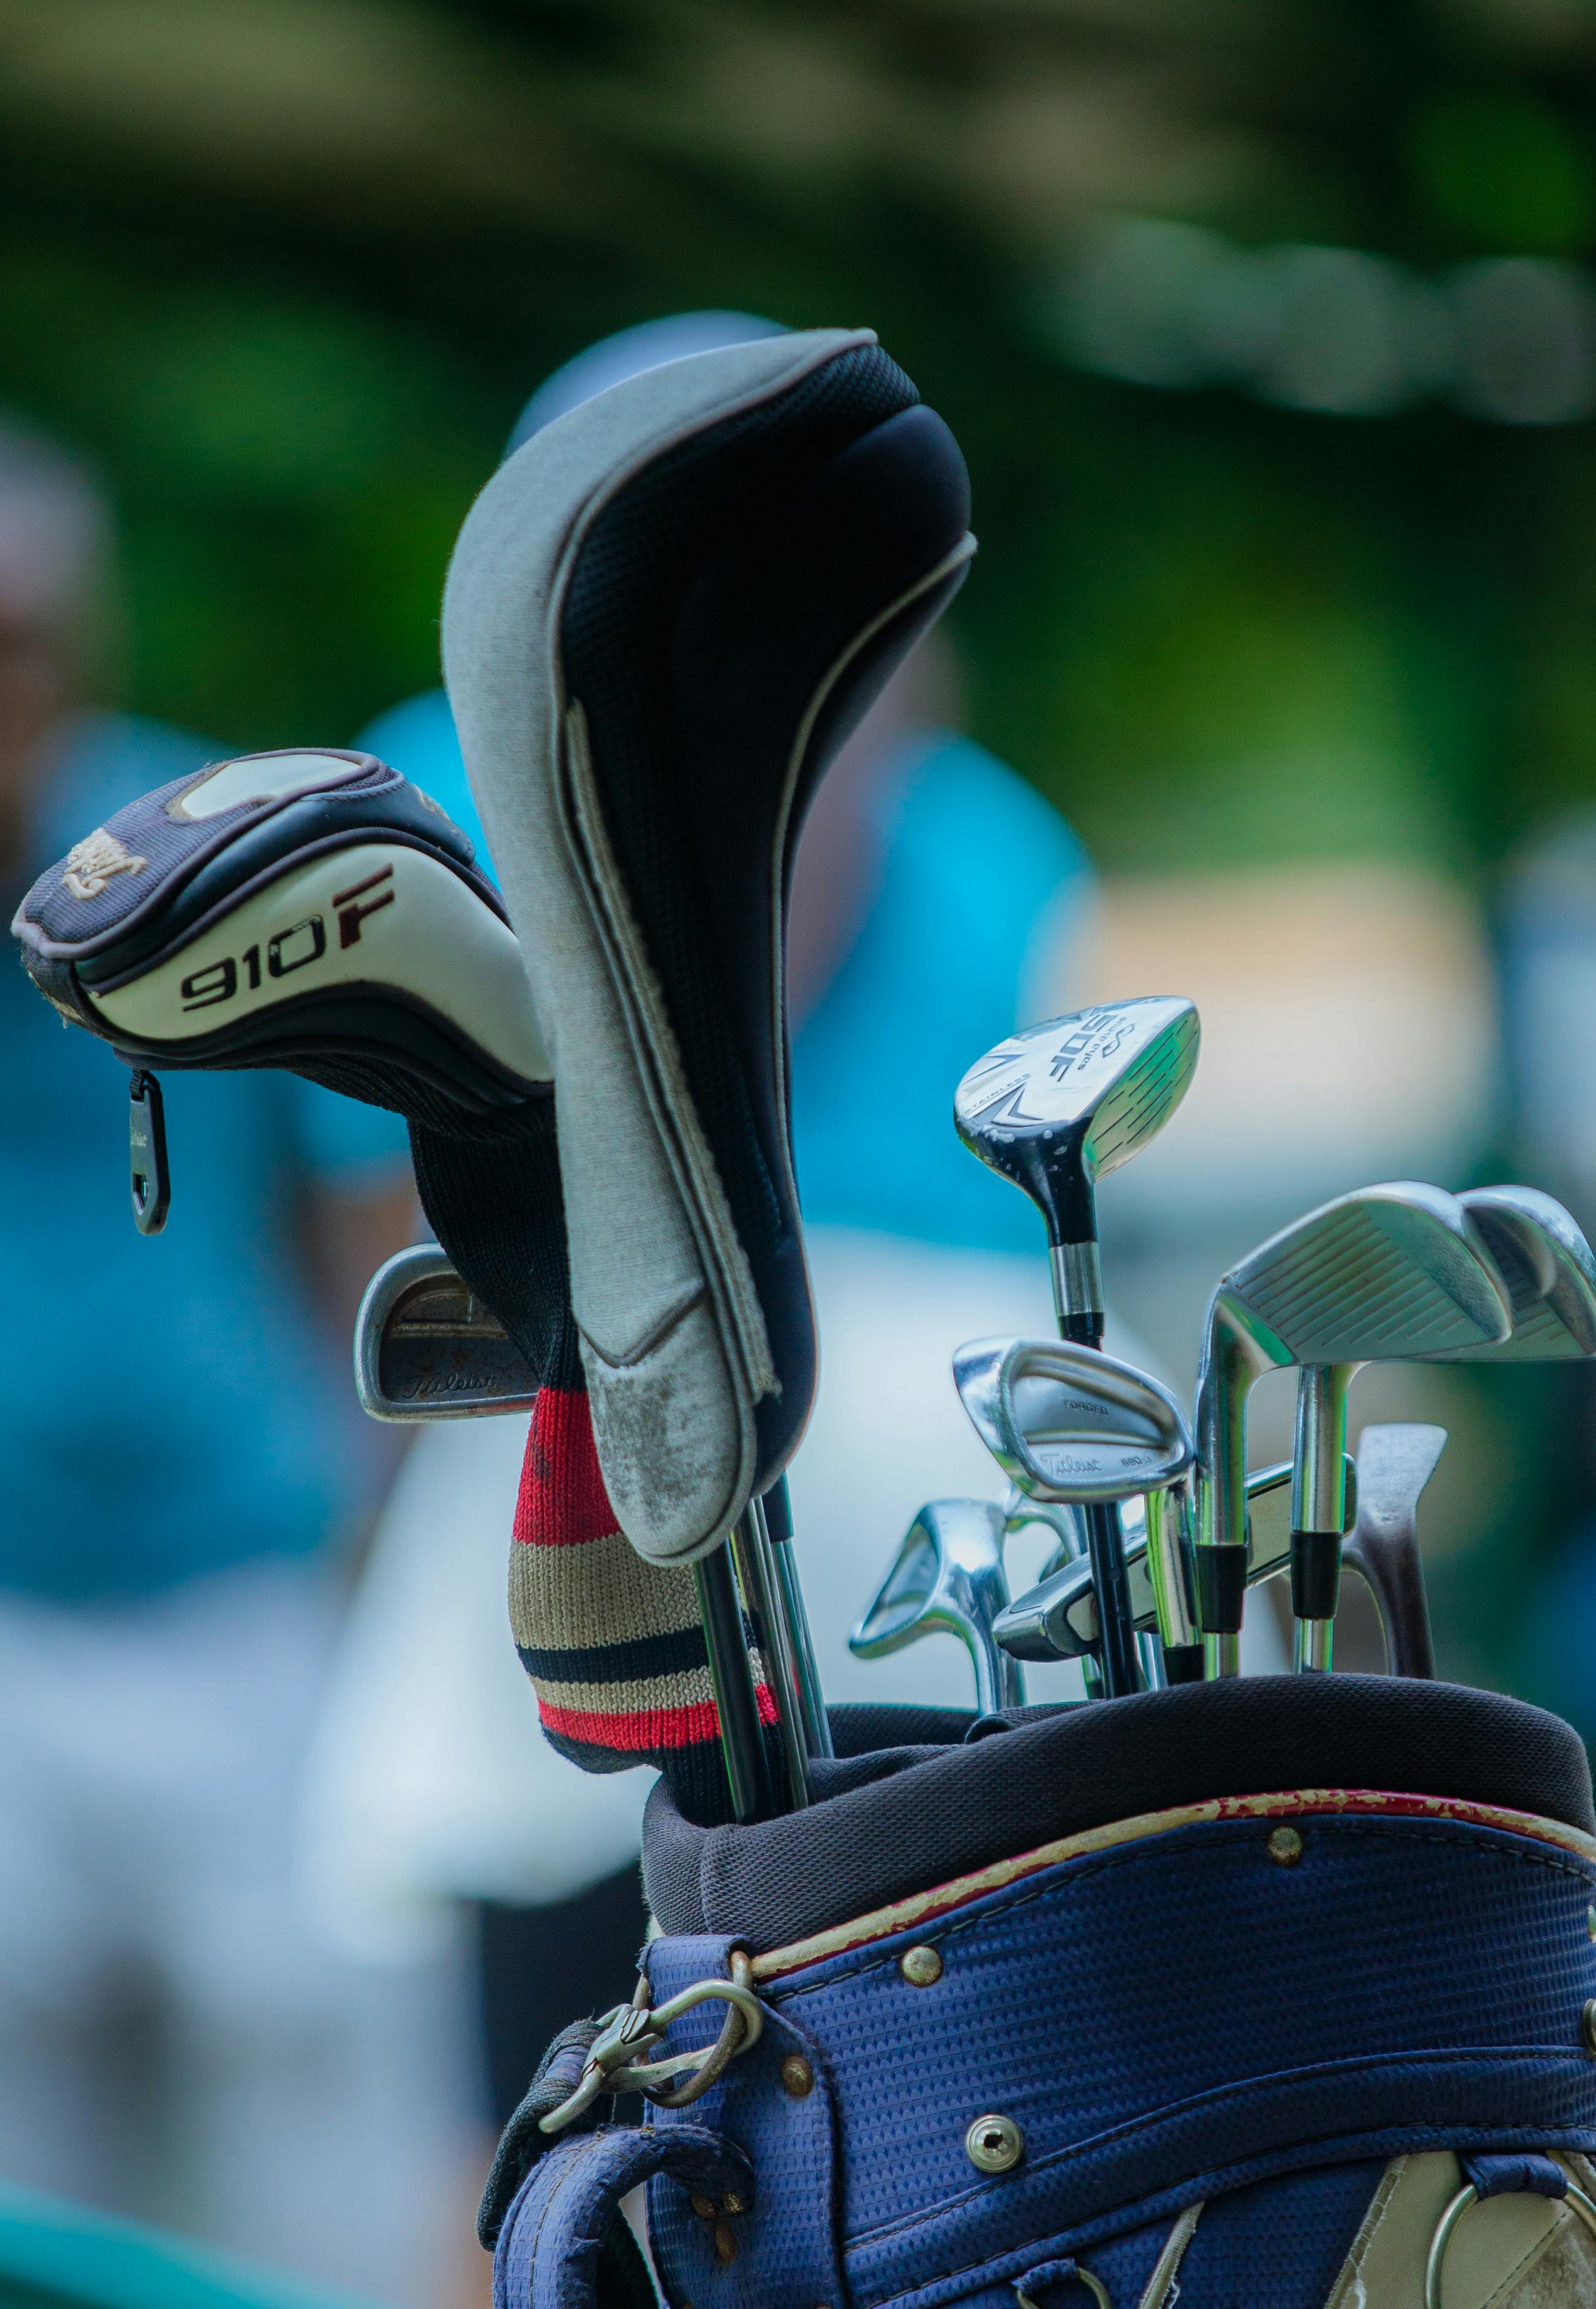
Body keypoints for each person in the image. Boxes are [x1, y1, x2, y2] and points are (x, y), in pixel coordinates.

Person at [300, 315, 1129, 2123]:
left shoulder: (413, 783)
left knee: (551, 2113)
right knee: (916, 2082)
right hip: (905, 1466)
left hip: (625, 1435)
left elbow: (382, 1227)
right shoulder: (978, 810)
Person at [0, 411, 477, 2303]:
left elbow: (358, 1239)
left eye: (23, 643)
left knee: (321, 2147)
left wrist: (374, 1551)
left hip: (245, 1597)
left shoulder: (197, 871)